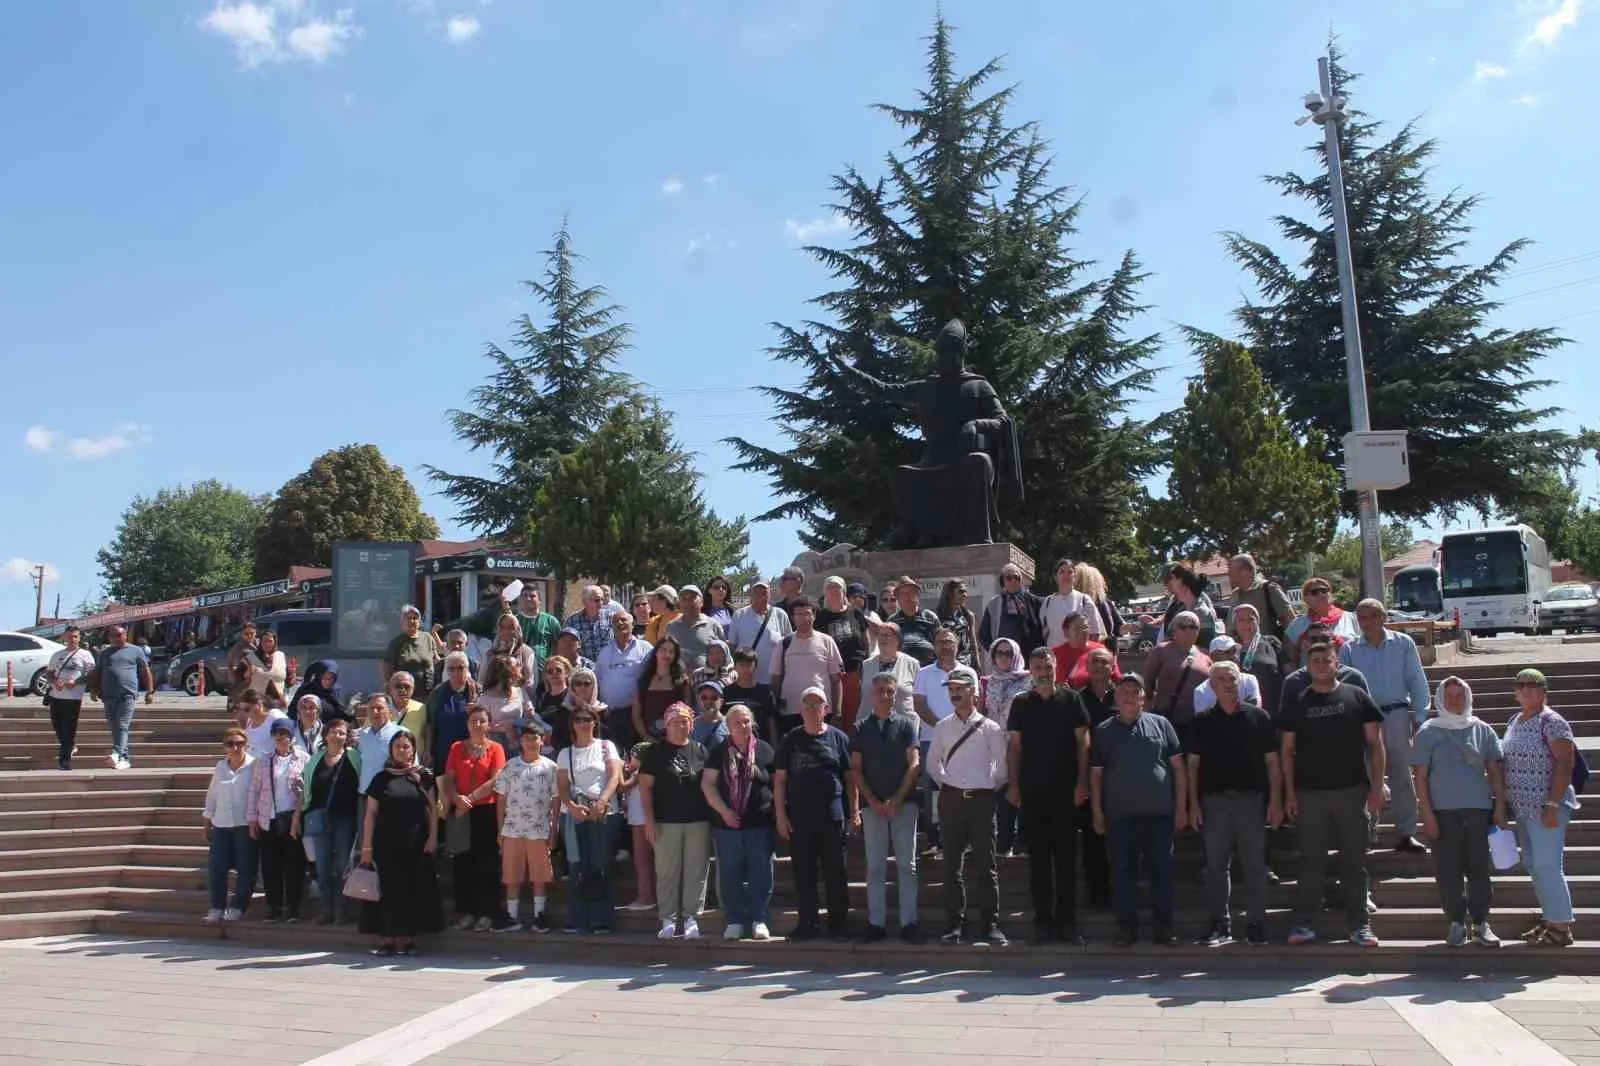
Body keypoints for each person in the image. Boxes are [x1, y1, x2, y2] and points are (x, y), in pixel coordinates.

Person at [1280, 642, 1387, 948]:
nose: (1321, 665)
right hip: (1310, 794)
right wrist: (1289, 793)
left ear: (1336, 663)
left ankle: (1359, 925)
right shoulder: (1297, 702)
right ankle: (1304, 923)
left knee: (1354, 861)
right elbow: (1286, 751)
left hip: (1352, 791)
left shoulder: (1357, 696)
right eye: (1315, 661)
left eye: (1326, 660)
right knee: (1311, 861)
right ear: (1307, 666)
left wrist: (1378, 787)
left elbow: (1375, 746)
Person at [1186, 661, 1281, 947]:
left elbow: (1273, 762)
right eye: (1221, 679)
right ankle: (1219, 923)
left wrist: (1276, 800)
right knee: (1215, 866)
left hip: (1251, 801)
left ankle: (1255, 922)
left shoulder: (1259, 717)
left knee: (1255, 865)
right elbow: (1192, 766)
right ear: (1212, 686)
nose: (1228, 683)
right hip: (1213, 802)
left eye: (1233, 679)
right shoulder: (1201, 722)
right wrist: (1193, 804)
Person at [1411, 675, 1508, 947]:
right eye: (1450, 696)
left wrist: (1499, 806)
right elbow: (1420, 777)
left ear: (1467, 698)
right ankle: (1456, 922)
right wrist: (1426, 813)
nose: (1455, 701)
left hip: (1478, 809)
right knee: (1448, 868)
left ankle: (1481, 922)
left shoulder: (1483, 729)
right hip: (1443, 811)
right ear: (1441, 699)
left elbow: (1494, 771)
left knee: (1479, 866)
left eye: (1459, 696)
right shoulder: (1428, 731)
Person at [1092, 672, 1187, 947]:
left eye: (1136, 691)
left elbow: (1179, 769)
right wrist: (1097, 812)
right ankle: (1126, 928)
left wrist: (1181, 807)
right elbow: (1096, 776)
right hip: (1120, 816)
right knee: (1122, 873)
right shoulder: (1103, 731)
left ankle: (1164, 928)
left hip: (1160, 815)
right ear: (1116, 697)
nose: (1130, 696)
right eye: (1124, 691)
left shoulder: (1162, 725)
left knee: (1163, 872)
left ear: (1144, 698)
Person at [1006, 648, 1091, 945]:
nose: (1044, 671)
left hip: (1066, 792)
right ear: (1030, 669)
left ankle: (1067, 923)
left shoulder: (1072, 700)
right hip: (1033, 792)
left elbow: (1083, 743)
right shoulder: (1021, 703)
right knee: (1039, 861)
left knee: (1066, 861)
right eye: (1038, 666)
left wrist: (1082, 782)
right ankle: (1042, 922)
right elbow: (1014, 747)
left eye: (1048, 666)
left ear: (1056, 668)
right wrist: (1013, 785)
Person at [1340, 598, 1432, 853]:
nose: (1367, 623)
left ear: (1383, 617)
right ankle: (1369, 831)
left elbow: (1416, 679)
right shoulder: (1348, 649)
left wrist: (1420, 716)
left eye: (1371, 617)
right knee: (1367, 774)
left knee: (1402, 774)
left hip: (1397, 714)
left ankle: (1407, 832)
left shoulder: (1403, 644)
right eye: (1361, 618)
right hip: (1364, 718)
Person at [927, 664, 1009, 946]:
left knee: (987, 866)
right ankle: (954, 924)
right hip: (951, 800)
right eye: (951, 689)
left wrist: (985, 787)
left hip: (982, 801)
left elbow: (1002, 770)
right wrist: (949, 785)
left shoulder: (991, 728)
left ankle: (990, 924)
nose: (954, 694)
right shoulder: (942, 727)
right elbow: (932, 764)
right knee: (951, 867)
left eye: (960, 688)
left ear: (973, 692)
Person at [1502, 668, 1581, 947]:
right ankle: (1551, 919)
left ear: (1544, 691)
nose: (1527, 690)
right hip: (1523, 809)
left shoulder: (1553, 722)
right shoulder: (1515, 720)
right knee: (1535, 866)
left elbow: (1565, 763)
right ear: (1515, 692)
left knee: (1548, 866)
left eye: (1534, 686)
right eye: (1521, 686)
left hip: (1547, 807)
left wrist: (1552, 804)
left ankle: (1560, 926)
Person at [774, 686, 857, 941]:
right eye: (807, 704)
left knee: (836, 873)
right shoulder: (791, 740)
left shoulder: (839, 738)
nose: (812, 709)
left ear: (826, 709)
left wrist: (854, 810)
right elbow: (779, 780)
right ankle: (807, 923)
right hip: (799, 817)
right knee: (803, 873)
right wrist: (780, 815)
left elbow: (850, 778)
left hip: (832, 816)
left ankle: (838, 925)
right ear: (801, 710)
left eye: (817, 704)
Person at [358, 729, 444, 957]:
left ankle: (407, 940)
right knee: (388, 891)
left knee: (412, 890)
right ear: (391, 750)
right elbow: (370, 815)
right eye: (398, 747)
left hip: (416, 842)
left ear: (413, 750)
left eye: (406, 747)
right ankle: (387, 940)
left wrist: (433, 837)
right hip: (386, 843)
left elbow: (433, 811)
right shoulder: (381, 778)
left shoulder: (423, 776)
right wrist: (366, 847)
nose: (402, 751)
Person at [851, 671, 922, 943]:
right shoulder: (859, 728)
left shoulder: (907, 724)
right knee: (875, 867)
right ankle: (876, 923)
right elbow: (856, 769)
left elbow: (914, 764)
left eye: (890, 691)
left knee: (907, 866)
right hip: (873, 807)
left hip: (904, 805)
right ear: (872, 694)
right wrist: (871, 800)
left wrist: (896, 800)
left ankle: (909, 923)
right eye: (881, 690)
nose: (885, 695)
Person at [701, 704, 778, 941]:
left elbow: (777, 783)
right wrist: (723, 811)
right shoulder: (718, 751)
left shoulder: (765, 750)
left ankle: (759, 919)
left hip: (759, 824)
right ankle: (733, 920)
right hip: (727, 825)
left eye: (746, 721)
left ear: (752, 723)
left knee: (761, 874)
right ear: (728, 725)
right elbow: (707, 784)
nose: (742, 726)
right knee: (730, 874)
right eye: (736, 722)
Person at [640, 703, 711, 939]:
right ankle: (668, 918)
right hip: (665, 821)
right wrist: (649, 820)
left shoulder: (701, 750)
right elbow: (646, 788)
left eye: (684, 721)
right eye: (674, 721)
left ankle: (691, 917)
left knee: (696, 870)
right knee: (667, 871)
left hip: (697, 820)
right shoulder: (655, 753)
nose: (680, 725)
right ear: (666, 725)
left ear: (691, 724)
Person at [556, 705, 623, 935]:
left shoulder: (606, 746)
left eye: (588, 719)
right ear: (572, 724)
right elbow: (562, 787)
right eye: (579, 719)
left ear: (595, 722)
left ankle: (601, 920)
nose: (583, 723)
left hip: (604, 813)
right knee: (577, 867)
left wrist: (603, 801)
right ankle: (578, 919)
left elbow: (614, 777)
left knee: (601, 865)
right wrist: (572, 806)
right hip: (575, 816)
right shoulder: (566, 753)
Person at [441, 705, 508, 932]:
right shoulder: (457, 748)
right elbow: (449, 778)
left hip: (485, 811)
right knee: (463, 864)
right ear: (467, 724)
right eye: (473, 721)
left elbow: (496, 780)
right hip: (460, 811)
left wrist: (469, 798)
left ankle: (487, 912)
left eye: (482, 721)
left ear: (488, 725)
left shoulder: (496, 748)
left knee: (486, 864)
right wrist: (457, 799)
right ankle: (466, 912)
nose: (477, 725)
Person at [295, 717, 361, 925]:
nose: (337, 736)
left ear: (347, 736)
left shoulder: (354, 757)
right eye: (333, 732)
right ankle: (326, 910)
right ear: (326, 735)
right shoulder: (315, 759)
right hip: (318, 820)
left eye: (342, 732)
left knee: (343, 866)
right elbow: (305, 793)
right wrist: (298, 817)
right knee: (322, 867)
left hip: (345, 819)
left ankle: (341, 911)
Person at [495, 724, 559, 932]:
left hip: (539, 829)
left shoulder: (550, 767)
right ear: (520, 741)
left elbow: (557, 800)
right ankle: (512, 916)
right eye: (527, 738)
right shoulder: (510, 766)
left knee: (540, 874)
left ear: (542, 740)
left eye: (535, 738)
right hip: (512, 829)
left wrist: (554, 828)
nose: (531, 742)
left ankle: (539, 914)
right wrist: (500, 829)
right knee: (511, 873)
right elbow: (501, 799)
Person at [248, 719, 310, 923]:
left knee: (294, 865)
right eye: (277, 734)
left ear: (292, 736)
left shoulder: (303, 758)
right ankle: (274, 907)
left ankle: (293, 908)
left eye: (285, 734)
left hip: (293, 818)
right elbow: (254, 790)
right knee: (270, 865)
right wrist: (252, 819)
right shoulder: (264, 760)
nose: (281, 738)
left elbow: (308, 789)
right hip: (269, 818)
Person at [912, 628, 963, 855]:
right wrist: (943, 727)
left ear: (957, 646)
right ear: (934, 647)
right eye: (940, 642)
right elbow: (919, 705)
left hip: (963, 741)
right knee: (932, 791)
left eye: (949, 642)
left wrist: (955, 728)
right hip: (930, 740)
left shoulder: (967, 672)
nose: (945, 646)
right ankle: (935, 841)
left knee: (961, 788)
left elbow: (976, 704)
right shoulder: (923, 674)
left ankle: (961, 838)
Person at [1076, 646, 1118, 909]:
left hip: (1120, 776)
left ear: (1112, 665)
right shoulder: (1077, 699)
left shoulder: (1123, 694)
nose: (1099, 666)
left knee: (1122, 839)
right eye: (1094, 662)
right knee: (1093, 838)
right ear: (1087, 668)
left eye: (1104, 662)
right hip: (1090, 776)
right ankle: (1098, 894)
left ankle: (1122, 891)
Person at [202, 727, 258, 923]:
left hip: (245, 824)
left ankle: (238, 906)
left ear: (246, 745)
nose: (235, 748)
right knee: (217, 866)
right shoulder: (220, 767)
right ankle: (217, 906)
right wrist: (207, 818)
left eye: (239, 744)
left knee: (246, 867)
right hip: (222, 824)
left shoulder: (255, 765)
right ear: (224, 747)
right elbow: (213, 794)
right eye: (230, 744)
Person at [983, 637, 1032, 856]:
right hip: (994, 742)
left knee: (1021, 788)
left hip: (1021, 741)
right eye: (999, 653)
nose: (1004, 658)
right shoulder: (987, 681)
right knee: (1000, 792)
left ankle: (1023, 839)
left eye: (1008, 653)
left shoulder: (1029, 680)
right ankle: (1003, 842)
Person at [770, 598, 844, 736]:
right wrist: (774, 711)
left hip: (821, 710)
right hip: (791, 711)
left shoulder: (827, 641)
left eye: (807, 614)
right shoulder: (784, 643)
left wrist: (837, 711)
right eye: (798, 614)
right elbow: (775, 679)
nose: (803, 618)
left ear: (814, 616)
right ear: (792, 617)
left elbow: (836, 679)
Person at [87, 624, 154, 770]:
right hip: (108, 696)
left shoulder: (135, 650)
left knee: (122, 725)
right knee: (115, 727)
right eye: (112, 636)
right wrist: (93, 690)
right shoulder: (104, 653)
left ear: (125, 635)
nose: (115, 638)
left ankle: (117, 754)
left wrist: (150, 691)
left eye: (118, 635)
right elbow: (98, 673)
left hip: (127, 695)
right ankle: (124, 759)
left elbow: (145, 670)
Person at [1142, 610, 1212, 747]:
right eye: (1183, 626)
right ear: (1174, 629)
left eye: (1193, 626)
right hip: (1169, 721)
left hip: (1198, 723)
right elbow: (1147, 684)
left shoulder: (1205, 655)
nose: (1188, 629)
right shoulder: (1161, 651)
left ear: (1198, 631)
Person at [816, 576, 874, 735]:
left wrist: (867, 661)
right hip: (832, 675)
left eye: (837, 588)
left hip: (855, 671)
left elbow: (865, 638)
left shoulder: (855, 612)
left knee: (855, 714)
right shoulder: (821, 616)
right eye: (830, 588)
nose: (834, 591)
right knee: (836, 715)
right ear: (825, 593)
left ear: (843, 592)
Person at [45, 624, 95, 770]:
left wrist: (76, 682)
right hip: (56, 695)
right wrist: (55, 681)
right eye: (70, 636)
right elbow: (49, 673)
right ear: (64, 638)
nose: (72, 639)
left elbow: (92, 675)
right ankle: (70, 746)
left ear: (79, 638)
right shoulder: (57, 655)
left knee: (69, 728)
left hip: (73, 697)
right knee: (57, 726)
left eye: (75, 636)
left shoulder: (85, 655)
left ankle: (64, 760)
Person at [598, 611, 652, 742]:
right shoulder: (604, 653)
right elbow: (598, 681)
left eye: (623, 620)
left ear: (632, 624)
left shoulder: (646, 649)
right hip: (610, 715)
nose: (619, 623)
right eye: (615, 621)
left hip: (636, 715)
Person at [727, 578, 793, 686]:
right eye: (756, 592)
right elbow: (732, 646)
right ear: (750, 594)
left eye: (764, 592)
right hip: (746, 682)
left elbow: (789, 646)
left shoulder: (780, 615)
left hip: (774, 681)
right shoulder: (739, 615)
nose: (760, 596)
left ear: (770, 593)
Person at [977, 564, 1044, 668]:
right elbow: (983, 634)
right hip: (1005, 659)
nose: (1013, 580)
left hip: (1029, 659)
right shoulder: (994, 604)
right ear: (1002, 581)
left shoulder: (1033, 601)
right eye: (1008, 578)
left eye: (1016, 577)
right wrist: (996, 653)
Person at [855, 622, 919, 727]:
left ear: (898, 640)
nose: (882, 638)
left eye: (887, 635)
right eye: (880, 635)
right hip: (869, 727)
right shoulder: (865, 665)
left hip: (904, 729)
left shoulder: (912, 664)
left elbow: (918, 699)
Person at [633, 635, 693, 741]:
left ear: (675, 656)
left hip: (674, 739)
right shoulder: (644, 681)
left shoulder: (681, 682)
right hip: (648, 740)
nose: (666, 654)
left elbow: (687, 713)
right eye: (663, 650)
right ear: (656, 652)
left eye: (671, 652)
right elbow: (636, 714)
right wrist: (645, 736)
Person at [1228, 604, 1284, 717]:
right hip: (1241, 712)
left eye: (1250, 619)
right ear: (1235, 625)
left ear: (1257, 622)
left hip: (1272, 708)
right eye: (1241, 620)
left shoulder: (1271, 642)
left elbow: (1287, 670)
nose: (1246, 623)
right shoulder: (1229, 648)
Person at [426, 651, 477, 774]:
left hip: (469, 752)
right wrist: (428, 750)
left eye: (460, 668)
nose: (456, 672)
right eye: (451, 669)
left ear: (467, 669)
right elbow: (429, 723)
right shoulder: (437, 694)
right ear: (446, 671)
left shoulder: (477, 691)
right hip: (443, 752)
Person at [1226, 554, 1296, 643]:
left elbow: (1290, 620)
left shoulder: (1269, 589)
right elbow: (1230, 629)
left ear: (1246, 571)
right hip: (1242, 652)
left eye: (1231, 571)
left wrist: (1287, 648)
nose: (1228, 574)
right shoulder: (1236, 594)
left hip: (1268, 651)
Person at [1284, 578, 1359, 659]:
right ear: (1306, 599)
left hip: (1347, 670)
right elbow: (1289, 660)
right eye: (1314, 592)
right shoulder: (1297, 625)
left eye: (1324, 590)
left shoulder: (1351, 618)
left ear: (1330, 594)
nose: (1320, 594)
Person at [479, 655, 536, 755]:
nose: (521, 667)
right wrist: (502, 727)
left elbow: (531, 716)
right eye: (517, 665)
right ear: (508, 671)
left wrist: (529, 715)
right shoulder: (485, 697)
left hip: (519, 743)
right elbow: (480, 725)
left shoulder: (520, 691)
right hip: (496, 745)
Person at [724, 647, 779, 747]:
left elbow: (771, 721)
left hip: (760, 744)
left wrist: (774, 745)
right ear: (735, 667)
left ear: (755, 667)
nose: (745, 669)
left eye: (749, 665)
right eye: (741, 665)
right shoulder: (727, 692)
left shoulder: (765, 692)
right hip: (732, 744)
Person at [383, 605, 440, 699]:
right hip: (405, 691)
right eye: (408, 618)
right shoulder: (396, 643)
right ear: (402, 622)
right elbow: (387, 666)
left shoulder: (427, 638)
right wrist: (388, 688)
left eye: (415, 618)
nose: (412, 621)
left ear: (419, 622)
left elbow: (436, 660)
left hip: (428, 689)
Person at [1192, 635, 1262, 711]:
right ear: (1214, 657)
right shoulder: (1201, 691)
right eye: (1227, 652)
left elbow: (1255, 712)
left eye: (1235, 651)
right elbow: (1205, 721)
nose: (1234, 656)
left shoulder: (1249, 680)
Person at [667, 584, 726, 672]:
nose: (688, 602)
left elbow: (724, 655)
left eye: (692, 598)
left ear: (701, 602)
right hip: (680, 680)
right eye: (684, 599)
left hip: (707, 680)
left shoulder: (713, 625)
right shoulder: (672, 627)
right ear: (679, 603)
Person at [886, 577, 941, 666]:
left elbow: (940, 642)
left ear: (918, 596)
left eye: (911, 592)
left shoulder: (930, 617)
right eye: (904, 593)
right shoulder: (892, 621)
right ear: (898, 598)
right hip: (902, 667)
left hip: (928, 666)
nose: (908, 596)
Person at [477, 613, 539, 694]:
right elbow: (481, 681)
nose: (506, 631)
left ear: (517, 629)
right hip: (492, 700)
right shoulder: (490, 654)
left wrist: (513, 696)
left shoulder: (526, 652)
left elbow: (530, 683)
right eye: (502, 627)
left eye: (511, 627)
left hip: (518, 700)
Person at [1041, 558, 1098, 644]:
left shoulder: (1084, 600)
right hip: (1054, 653)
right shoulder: (1048, 602)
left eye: (1070, 572)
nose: (1066, 575)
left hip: (1078, 654)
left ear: (1075, 577)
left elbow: (1095, 632)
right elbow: (1043, 631)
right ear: (1056, 577)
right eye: (1062, 572)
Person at [355, 694, 402, 793]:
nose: (375, 712)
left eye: (379, 708)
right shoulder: (363, 735)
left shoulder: (401, 734)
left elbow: (411, 767)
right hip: (364, 794)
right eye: (371, 708)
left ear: (390, 712)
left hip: (389, 795)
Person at [1073, 562, 1125, 646]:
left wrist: (1126, 628)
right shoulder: (1075, 601)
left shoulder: (1104, 602)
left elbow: (1118, 627)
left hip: (1103, 649)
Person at [1052, 613, 1111, 687]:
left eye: (1085, 627)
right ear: (1066, 632)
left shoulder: (1101, 650)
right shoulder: (1055, 653)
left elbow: (1114, 676)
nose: (1082, 631)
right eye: (1077, 628)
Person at [937, 579, 980, 668]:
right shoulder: (938, 616)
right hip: (946, 663)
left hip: (965, 663)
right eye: (960, 592)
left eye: (965, 592)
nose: (964, 595)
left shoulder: (967, 615)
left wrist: (977, 663)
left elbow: (973, 641)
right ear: (950, 593)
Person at [565, 585, 613, 665]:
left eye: (602, 599)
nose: (601, 603)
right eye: (597, 600)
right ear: (584, 602)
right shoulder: (572, 621)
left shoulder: (611, 618)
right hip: (584, 669)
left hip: (608, 668)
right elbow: (567, 648)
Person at [291, 660, 348, 724]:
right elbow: (292, 712)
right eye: (325, 678)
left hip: (331, 731)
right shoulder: (306, 690)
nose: (328, 681)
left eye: (331, 678)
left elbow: (343, 714)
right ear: (319, 676)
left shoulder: (337, 691)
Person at [535, 656, 574, 752]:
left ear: (567, 672)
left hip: (567, 747)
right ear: (546, 676)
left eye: (558, 670)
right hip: (547, 749)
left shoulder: (572, 696)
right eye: (550, 671)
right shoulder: (543, 698)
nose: (554, 673)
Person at [238, 688, 288, 759]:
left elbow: (290, 740)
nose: (245, 714)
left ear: (259, 704)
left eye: (247, 709)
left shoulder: (274, 716)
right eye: (242, 710)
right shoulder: (249, 724)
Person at [388, 671, 429, 753]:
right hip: (387, 762)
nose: (402, 690)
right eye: (398, 686)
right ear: (390, 689)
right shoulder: (381, 709)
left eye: (407, 687)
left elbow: (428, 732)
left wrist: (427, 752)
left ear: (413, 689)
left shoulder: (421, 708)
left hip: (413, 762)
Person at [249, 628, 289, 709]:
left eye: (270, 641)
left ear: (274, 642)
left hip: (279, 703)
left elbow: (286, 679)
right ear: (260, 642)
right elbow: (240, 678)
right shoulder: (251, 657)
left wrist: (284, 696)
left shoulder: (280, 655)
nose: (267, 644)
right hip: (258, 703)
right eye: (265, 641)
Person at [226, 620, 261, 711]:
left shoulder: (259, 644)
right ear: (242, 634)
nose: (249, 636)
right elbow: (231, 665)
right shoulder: (238, 648)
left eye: (252, 633)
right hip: (243, 684)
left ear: (255, 633)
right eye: (246, 633)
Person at [691, 680, 730, 748]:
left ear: (721, 701)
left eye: (714, 698)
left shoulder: (730, 724)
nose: (708, 701)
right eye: (704, 698)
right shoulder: (691, 726)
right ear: (698, 700)